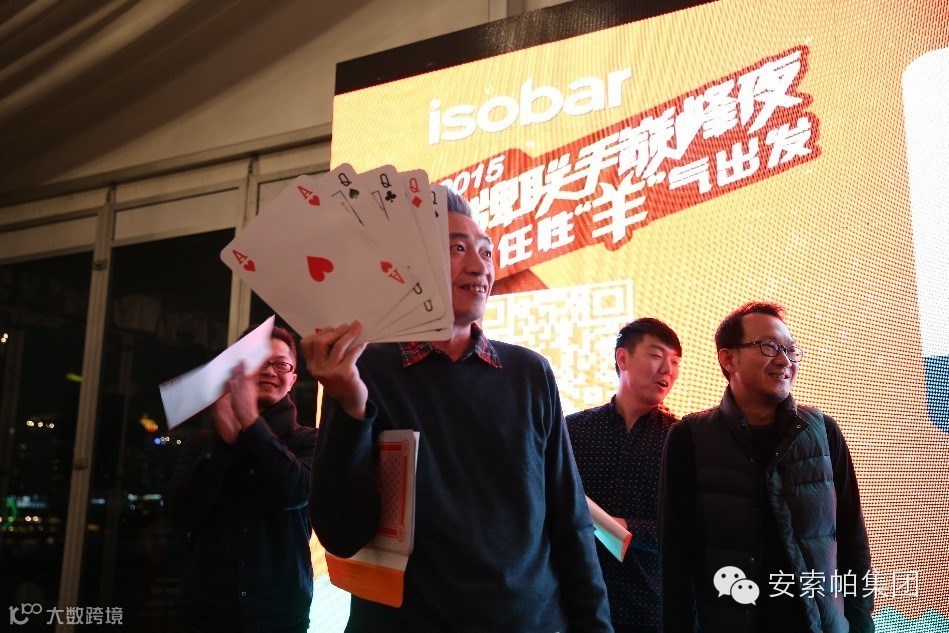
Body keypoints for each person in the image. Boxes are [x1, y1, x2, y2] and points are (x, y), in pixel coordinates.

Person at [303, 189, 612, 631]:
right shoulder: (363, 369)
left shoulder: (529, 372)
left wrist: (595, 625)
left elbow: (570, 520)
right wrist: (351, 404)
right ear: (408, 266)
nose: (480, 266)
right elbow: (341, 534)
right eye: (457, 248)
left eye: (486, 251)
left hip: (528, 622)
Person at [659, 302, 873, 633]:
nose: (785, 360)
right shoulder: (689, 437)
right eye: (769, 347)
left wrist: (860, 624)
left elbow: (852, 540)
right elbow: (675, 556)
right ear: (728, 359)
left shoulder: (823, 431)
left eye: (791, 350)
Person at [167, 325, 317, 632]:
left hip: (281, 615)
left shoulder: (309, 441)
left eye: (281, 364)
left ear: (292, 379)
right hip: (205, 613)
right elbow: (182, 513)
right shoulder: (202, 443)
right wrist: (224, 446)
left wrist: (250, 420)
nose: (270, 371)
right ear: (238, 373)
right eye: (259, 362)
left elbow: (296, 493)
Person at [567, 318, 682, 633]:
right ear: (622, 358)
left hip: (650, 603)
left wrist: (625, 527)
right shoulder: (572, 430)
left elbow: (689, 528)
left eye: (675, 362)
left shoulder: (681, 439)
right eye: (656, 355)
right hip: (578, 598)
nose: (667, 370)